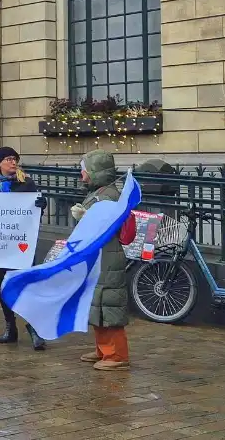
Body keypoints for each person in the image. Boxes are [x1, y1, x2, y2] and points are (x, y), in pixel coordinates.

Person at [0, 147, 47, 351]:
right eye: (9, 159)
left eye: (15, 159)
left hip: (20, 244)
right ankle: (10, 327)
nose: (13, 162)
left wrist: (41, 204)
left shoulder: (26, 183)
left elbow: (33, 211)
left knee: (26, 286)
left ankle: (35, 328)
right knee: (3, 287)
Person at [75, 149, 130, 371]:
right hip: (99, 256)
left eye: (84, 171)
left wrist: (85, 217)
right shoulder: (100, 192)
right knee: (98, 304)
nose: (82, 175)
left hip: (108, 256)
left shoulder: (107, 195)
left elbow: (105, 224)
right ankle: (103, 349)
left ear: (95, 172)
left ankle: (117, 355)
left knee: (110, 304)